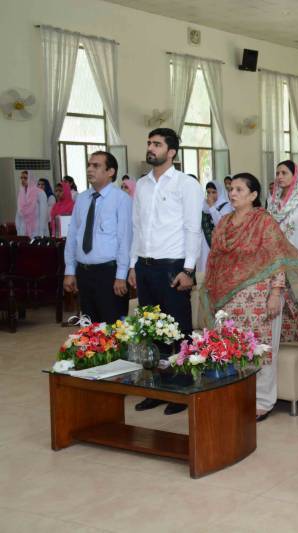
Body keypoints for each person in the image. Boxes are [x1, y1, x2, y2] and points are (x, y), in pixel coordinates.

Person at [204, 173, 298, 421]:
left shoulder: (263, 222)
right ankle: (234, 397)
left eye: (240, 190)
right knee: (232, 349)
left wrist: (276, 293)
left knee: (260, 350)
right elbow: (216, 259)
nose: (233, 193)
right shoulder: (223, 223)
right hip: (229, 299)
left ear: (253, 195)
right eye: (231, 189)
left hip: (261, 296)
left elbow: (278, 259)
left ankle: (263, 401)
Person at [128, 128, 203, 416]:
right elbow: (137, 227)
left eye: (157, 144)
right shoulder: (143, 184)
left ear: (171, 151)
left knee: (178, 330)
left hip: (173, 266)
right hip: (145, 267)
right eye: (149, 143)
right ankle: (157, 388)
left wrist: (188, 269)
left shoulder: (185, 185)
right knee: (152, 331)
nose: (150, 148)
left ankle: (181, 388)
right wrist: (134, 264)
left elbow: (192, 229)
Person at [63, 151, 132, 324]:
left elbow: (125, 239)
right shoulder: (82, 198)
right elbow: (73, 236)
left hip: (109, 272)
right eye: (89, 165)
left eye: (96, 166)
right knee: (89, 328)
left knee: (112, 327)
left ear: (110, 172)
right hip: (84, 272)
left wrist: (121, 275)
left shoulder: (121, 199)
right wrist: (70, 270)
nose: (90, 169)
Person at [268, 159, 298, 344]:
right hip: (276, 260)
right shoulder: (273, 201)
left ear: (294, 175)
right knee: (278, 301)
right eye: (278, 173)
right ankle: (281, 340)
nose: (280, 177)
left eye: (284, 173)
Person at [198, 180, 233, 273]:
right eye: (208, 192)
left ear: (220, 192)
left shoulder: (227, 206)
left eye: (214, 192)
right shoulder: (203, 205)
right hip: (204, 243)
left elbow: (221, 223)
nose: (210, 195)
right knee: (204, 268)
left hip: (219, 242)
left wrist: (212, 207)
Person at [15, 170, 49, 238]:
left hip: (37, 229)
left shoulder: (40, 193)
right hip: (23, 230)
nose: (23, 180)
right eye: (21, 178)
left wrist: (41, 232)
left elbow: (43, 214)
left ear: (31, 178)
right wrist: (18, 228)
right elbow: (18, 213)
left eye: (25, 178)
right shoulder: (21, 194)